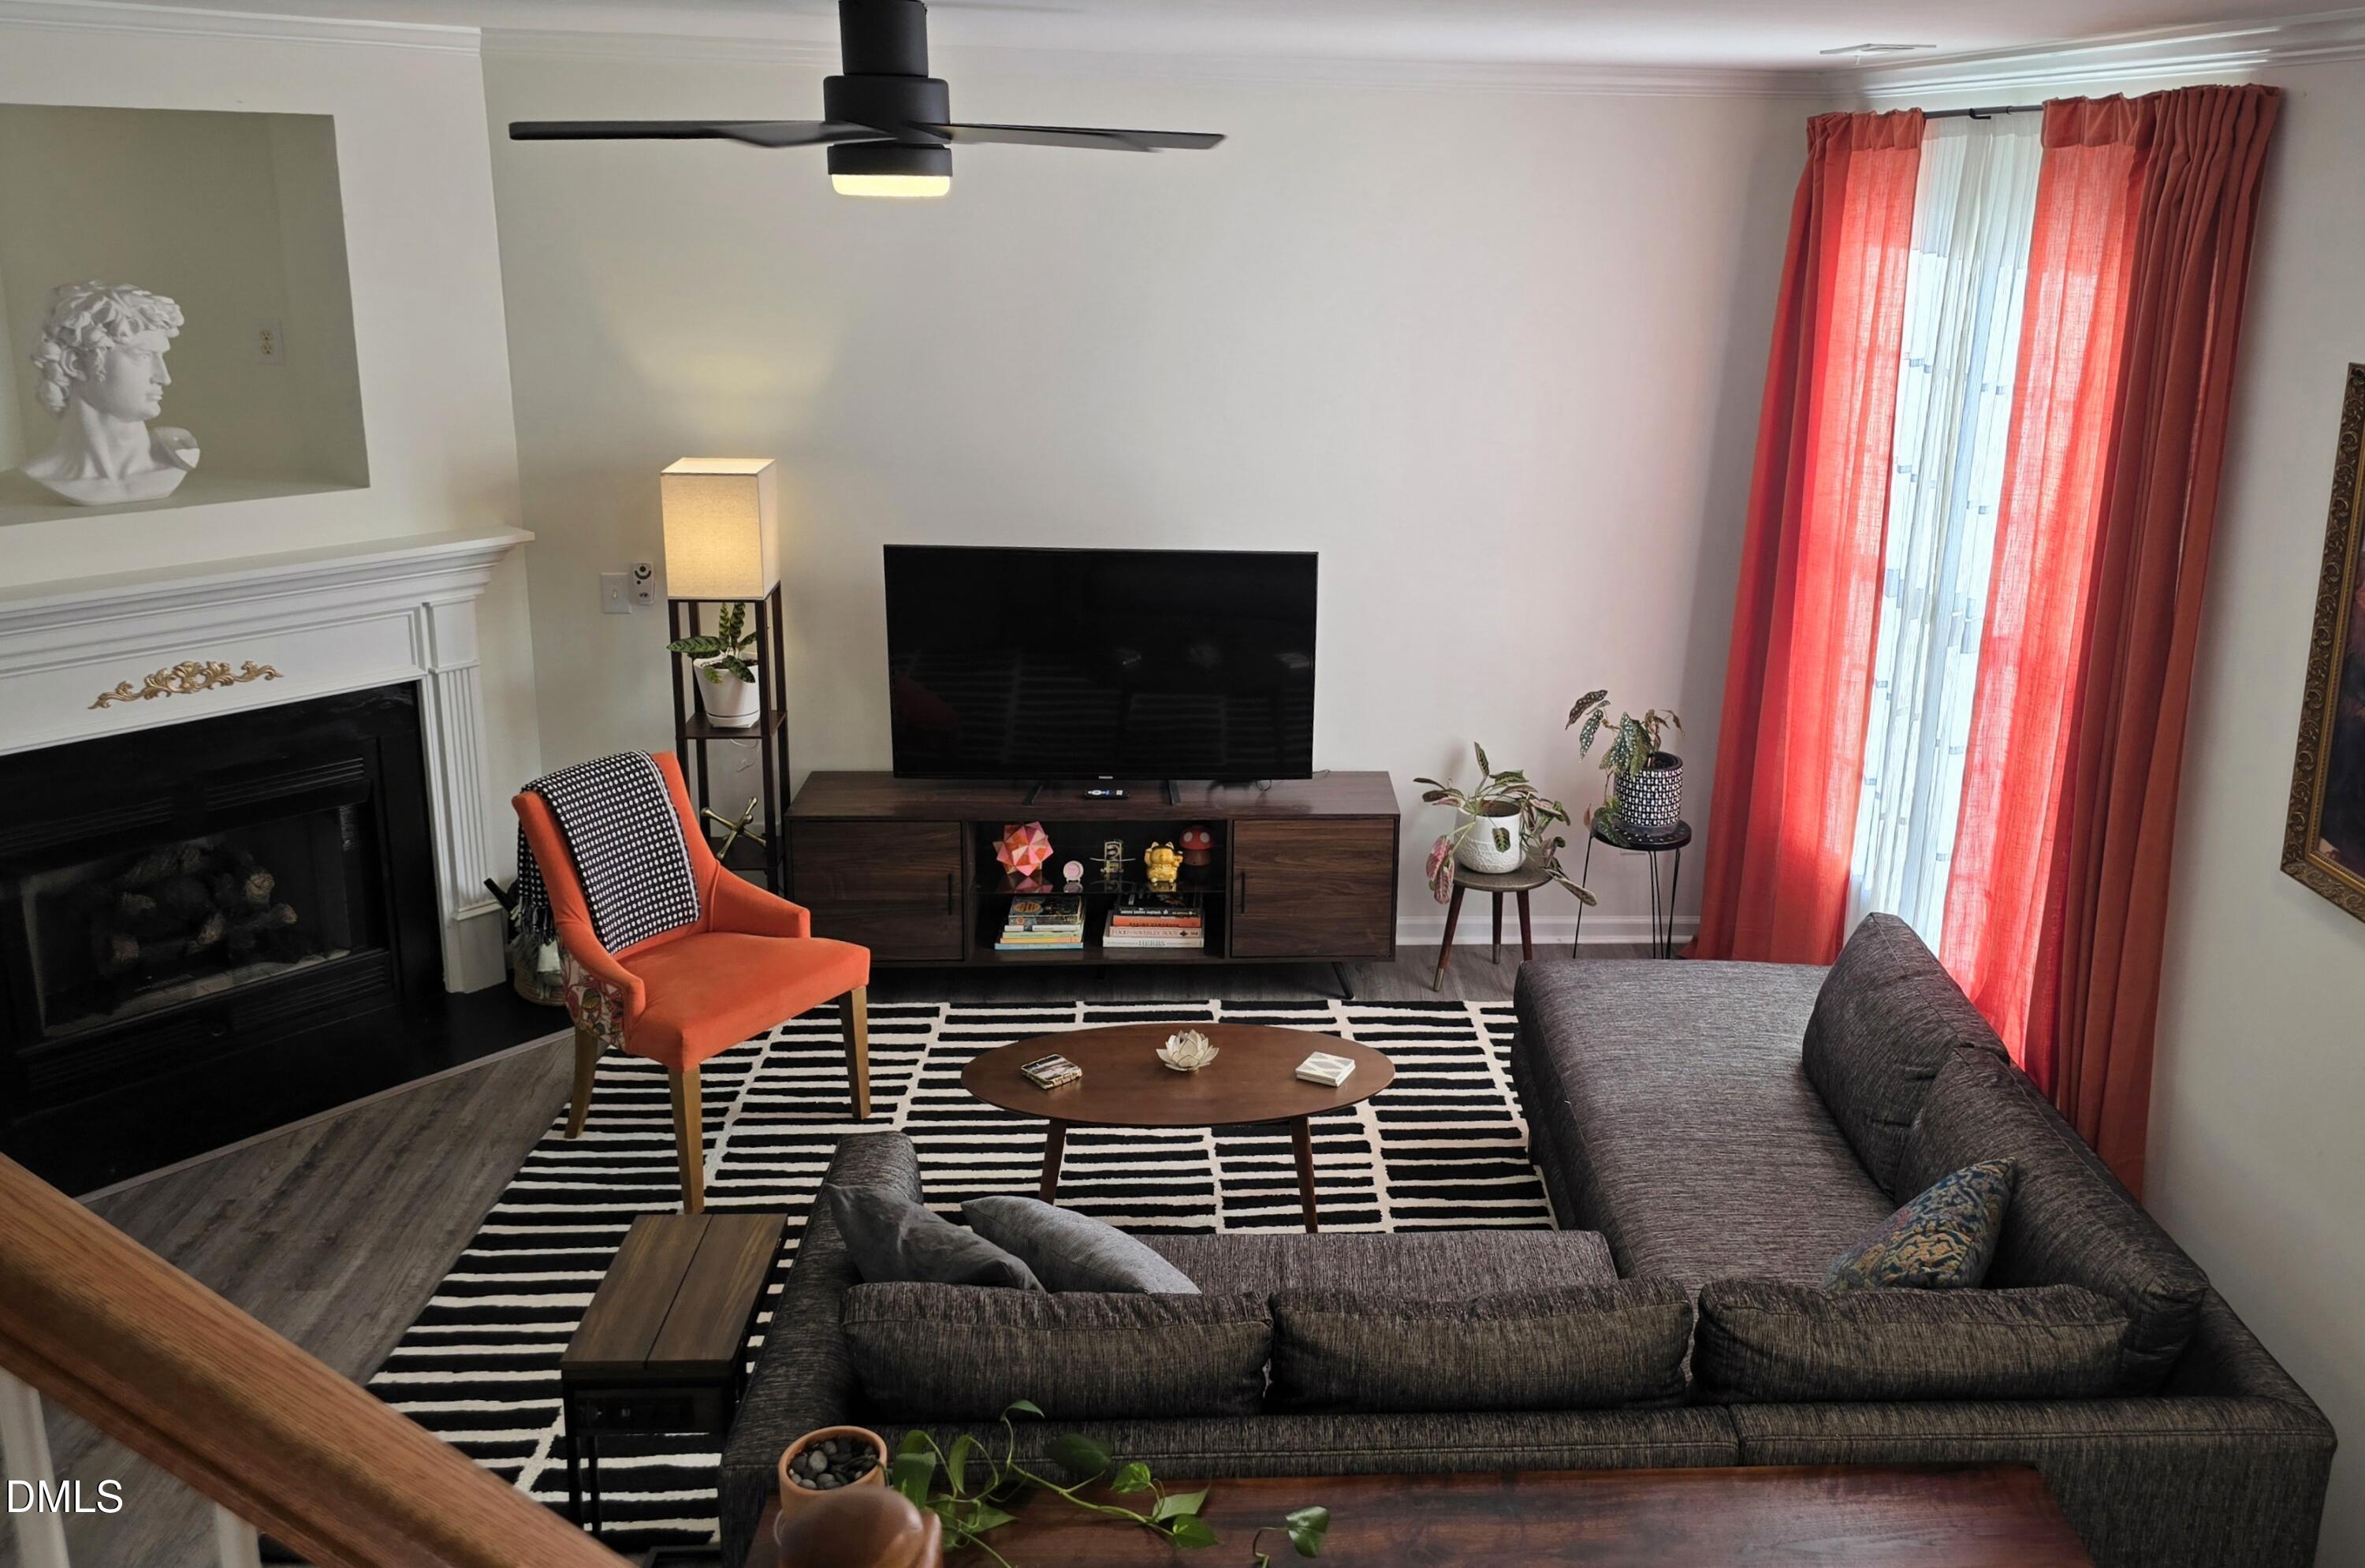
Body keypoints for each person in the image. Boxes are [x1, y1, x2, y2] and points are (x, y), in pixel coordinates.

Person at [20, 280, 199, 505]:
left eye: (161, 357)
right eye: (143, 356)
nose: (163, 377)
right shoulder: (40, 474)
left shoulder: (175, 458)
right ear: (76, 363)